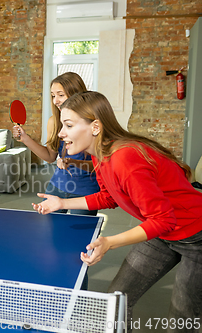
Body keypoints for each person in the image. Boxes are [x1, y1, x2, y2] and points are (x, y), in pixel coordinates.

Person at [33, 91, 202, 331]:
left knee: (181, 318)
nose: (61, 133)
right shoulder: (101, 155)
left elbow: (163, 219)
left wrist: (110, 242)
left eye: (68, 125)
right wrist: (62, 203)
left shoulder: (125, 159)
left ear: (95, 127)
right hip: (162, 233)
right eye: (62, 125)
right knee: (116, 300)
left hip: (196, 235)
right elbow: (109, 196)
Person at [13, 72, 99, 215]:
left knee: (79, 237)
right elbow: (50, 156)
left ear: (75, 94)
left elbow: (100, 165)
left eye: (61, 95)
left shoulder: (93, 124)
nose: (55, 101)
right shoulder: (53, 121)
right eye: (53, 95)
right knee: (49, 232)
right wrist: (25, 139)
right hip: (56, 187)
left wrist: (72, 162)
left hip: (85, 191)